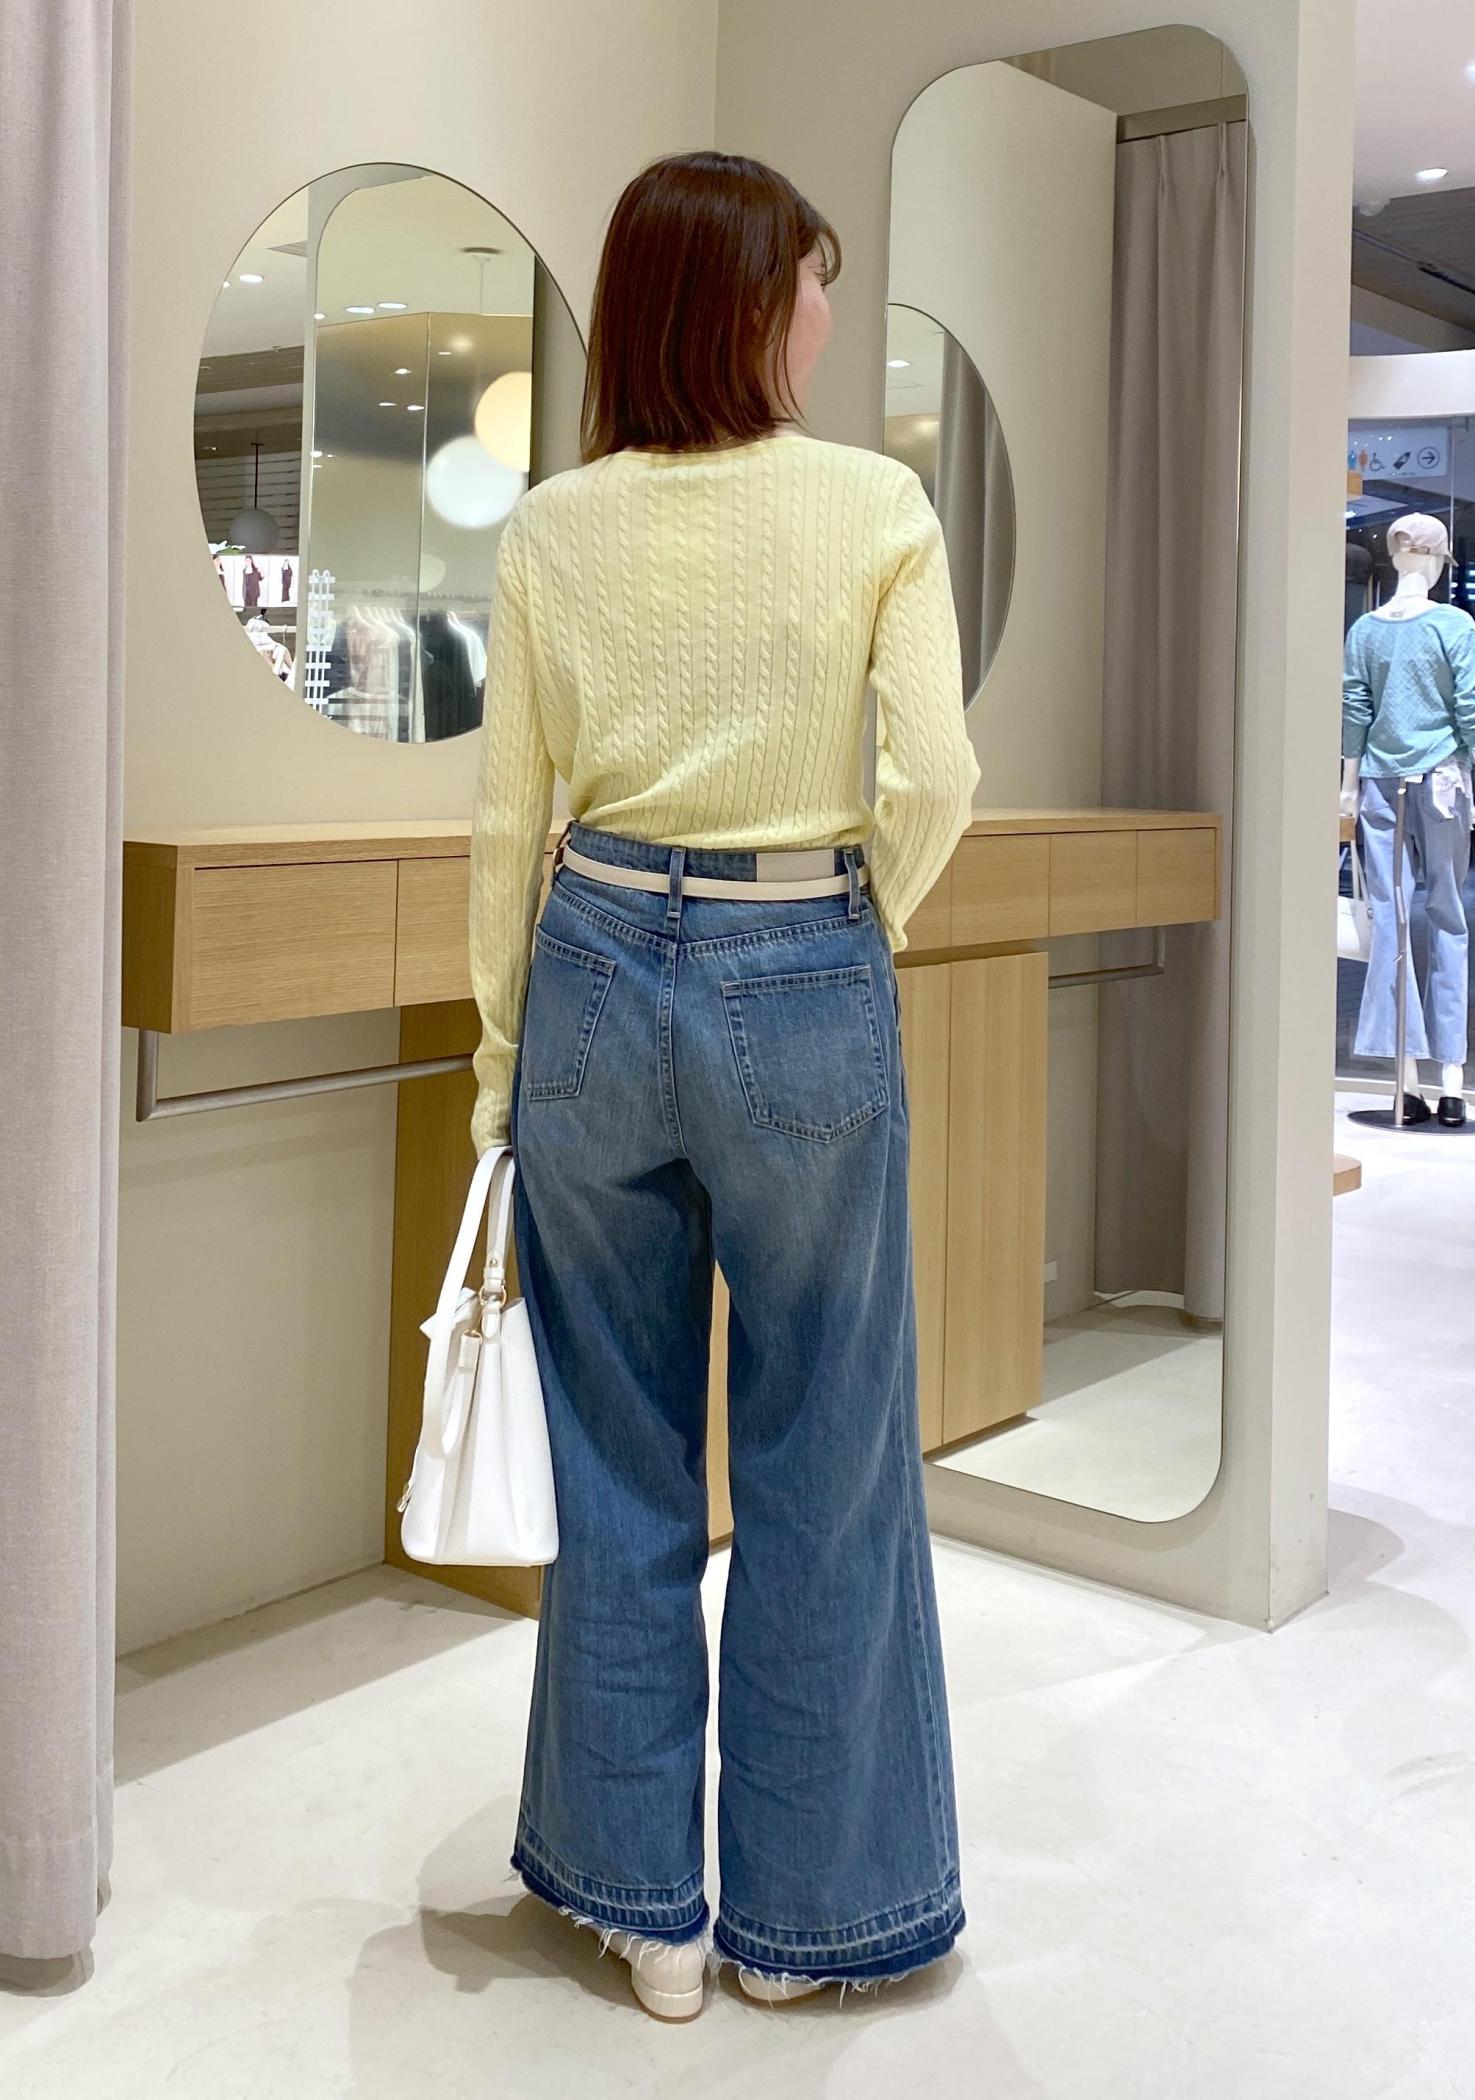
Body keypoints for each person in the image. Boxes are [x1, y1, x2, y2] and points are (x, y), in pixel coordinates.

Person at [468, 149, 981, 2020]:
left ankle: (648, 1917)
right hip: (801, 959)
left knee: (615, 1456)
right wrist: (851, 930)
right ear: (753, 303)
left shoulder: (554, 527)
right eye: (815, 280)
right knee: (824, 1455)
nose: (829, 313)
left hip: (592, 966)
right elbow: (936, 781)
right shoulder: (874, 505)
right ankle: (802, 1931)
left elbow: (506, 825)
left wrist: (499, 1068)